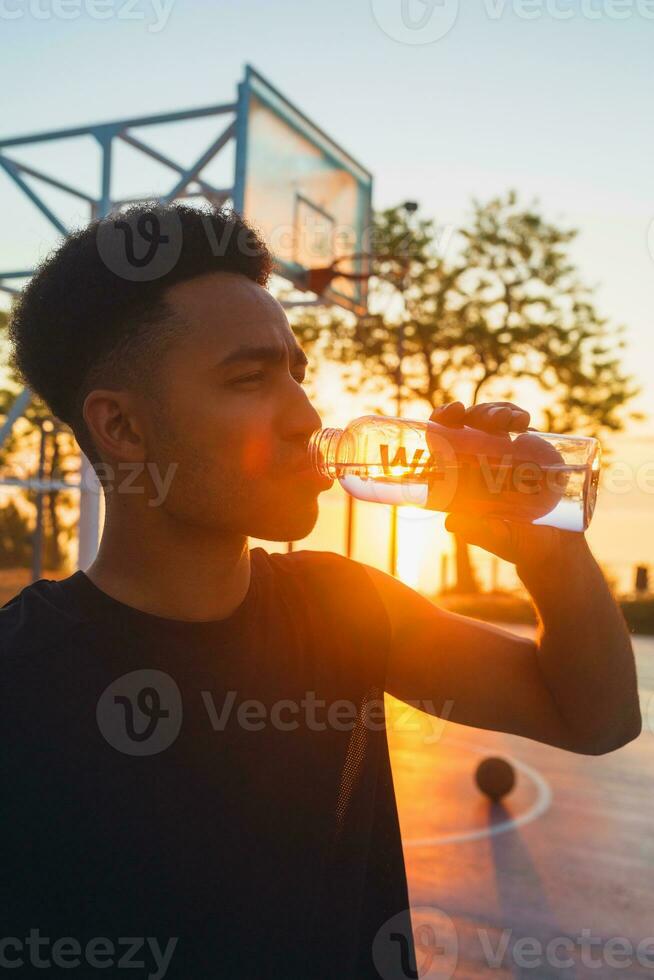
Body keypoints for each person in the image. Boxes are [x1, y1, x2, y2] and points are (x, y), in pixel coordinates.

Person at [1, 204, 641, 979]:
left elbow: (598, 718)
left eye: (298, 375)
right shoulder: (21, 678)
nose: (307, 417)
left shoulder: (344, 606)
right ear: (124, 431)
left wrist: (549, 551)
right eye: (249, 379)